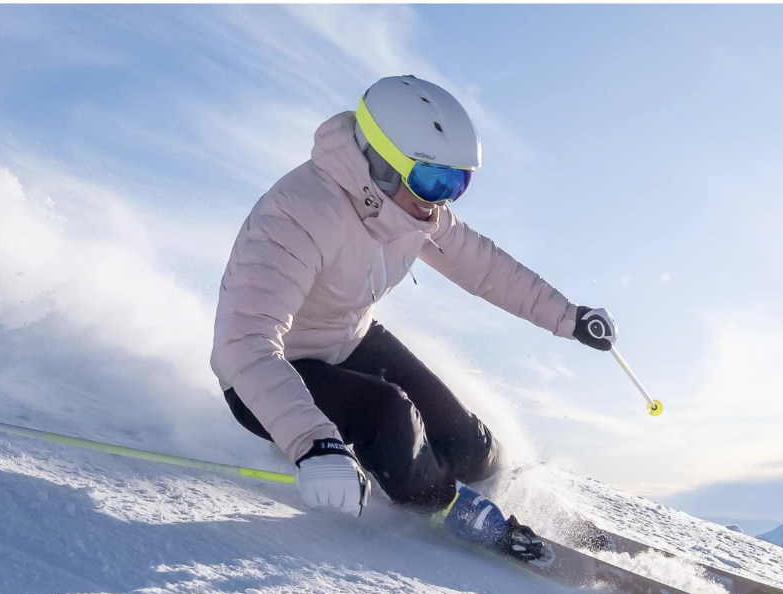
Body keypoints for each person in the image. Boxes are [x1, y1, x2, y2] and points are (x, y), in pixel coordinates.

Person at [210, 74, 616, 564]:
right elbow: (242, 344)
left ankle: (496, 489)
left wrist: (568, 317)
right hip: (271, 374)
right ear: (381, 164)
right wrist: (312, 443)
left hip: (350, 340)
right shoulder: (295, 215)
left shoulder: (413, 211)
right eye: (433, 180)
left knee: (466, 441)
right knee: (390, 415)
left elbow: (486, 268)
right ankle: (447, 506)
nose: (442, 199)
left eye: (458, 183)